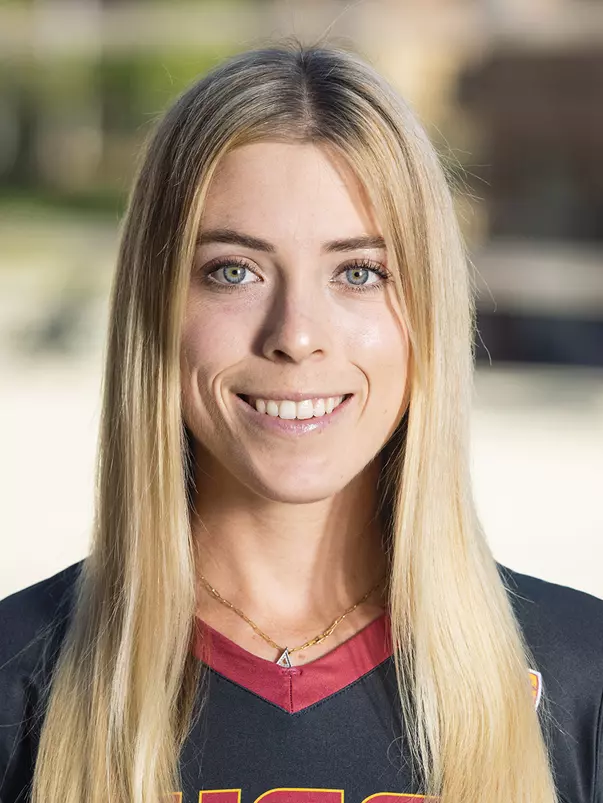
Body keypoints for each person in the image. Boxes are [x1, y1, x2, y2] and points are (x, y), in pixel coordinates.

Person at [0, 40, 602, 803]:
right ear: (155, 307)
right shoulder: (18, 678)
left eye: (358, 272)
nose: (295, 333)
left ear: (428, 311)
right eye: (233, 270)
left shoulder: (582, 677)